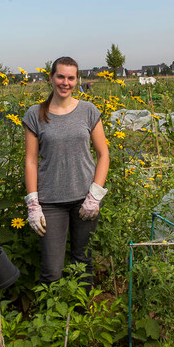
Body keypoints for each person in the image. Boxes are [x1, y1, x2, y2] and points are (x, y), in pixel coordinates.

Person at [23, 57, 109, 283]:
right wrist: (33, 204)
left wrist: (95, 195)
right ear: (51, 78)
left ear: (77, 80)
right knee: (52, 270)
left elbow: (104, 155)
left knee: (83, 262)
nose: (65, 82)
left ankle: (83, 307)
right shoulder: (35, 114)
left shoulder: (88, 111)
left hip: (84, 200)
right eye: (60, 76)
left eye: (71, 78)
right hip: (50, 202)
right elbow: (30, 161)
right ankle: (51, 307)